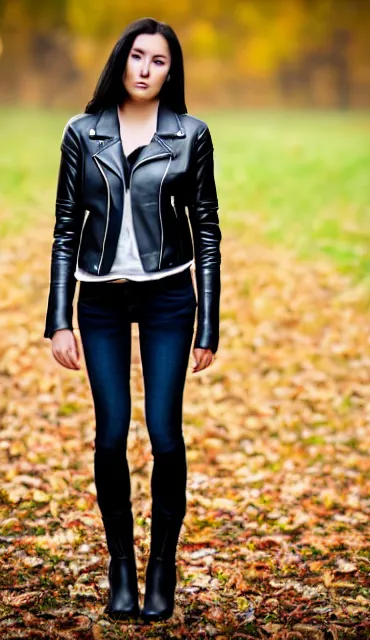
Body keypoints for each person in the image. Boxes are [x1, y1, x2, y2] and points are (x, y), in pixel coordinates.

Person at [43, 17, 222, 622]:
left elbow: (208, 233)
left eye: (159, 61)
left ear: (172, 71)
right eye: (137, 57)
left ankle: (162, 567)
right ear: (121, 60)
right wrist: (58, 320)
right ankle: (121, 564)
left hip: (169, 298)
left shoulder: (190, 134)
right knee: (112, 432)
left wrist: (210, 323)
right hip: (99, 302)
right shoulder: (82, 132)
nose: (145, 69)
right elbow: (66, 228)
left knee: (164, 433)